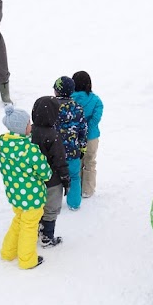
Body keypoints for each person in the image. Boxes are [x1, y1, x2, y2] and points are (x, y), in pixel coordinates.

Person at [0, 104, 51, 270]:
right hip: (32, 197)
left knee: (19, 221)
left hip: (15, 194)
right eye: (28, 124)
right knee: (29, 227)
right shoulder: (29, 150)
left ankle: (8, 251)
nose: (31, 126)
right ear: (21, 128)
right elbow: (44, 172)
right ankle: (27, 259)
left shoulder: (2, 146)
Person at [30, 96, 68, 247]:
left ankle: (34, 231)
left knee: (36, 207)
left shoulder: (29, 131)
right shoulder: (53, 135)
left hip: (33, 179)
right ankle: (47, 236)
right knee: (51, 209)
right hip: (53, 181)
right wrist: (65, 178)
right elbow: (59, 159)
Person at [53, 76, 89, 211]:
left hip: (54, 152)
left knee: (55, 179)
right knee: (74, 177)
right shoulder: (77, 108)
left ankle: (54, 205)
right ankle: (74, 203)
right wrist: (82, 147)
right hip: (73, 151)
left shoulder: (51, 106)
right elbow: (83, 129)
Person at [72, 71, 104, 199]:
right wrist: (87, 129)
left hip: (74, 137)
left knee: (76, 162)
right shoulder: (96, 100)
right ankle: (88, 189)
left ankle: (76, 187)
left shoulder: (70, 100)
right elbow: (96, 118)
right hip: (91, 136)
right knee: (90, 161)